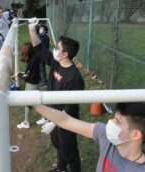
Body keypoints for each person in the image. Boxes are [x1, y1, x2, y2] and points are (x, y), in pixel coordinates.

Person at [28, 18, 85, 172]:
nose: (54, 49)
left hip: (66, 120)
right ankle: (60, 169)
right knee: (58, 146)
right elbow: (39, 49)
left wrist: (55, 122)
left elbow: (71, 106)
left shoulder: (75, 78)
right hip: (53, 116)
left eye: (57, 48)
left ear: (65, 54)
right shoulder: (56, 63)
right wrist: (32, 29)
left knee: (70, 153)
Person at [33, 102, 145, 172]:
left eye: (118, 121)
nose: (111, 122)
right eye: (114, 117)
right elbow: (65, 121)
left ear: (135, 134)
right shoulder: (106, 136)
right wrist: (35, 104)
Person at [16, 42, 41, 129]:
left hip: (32, 83)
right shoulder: (33, 57)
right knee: (33, 101)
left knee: (30, 102)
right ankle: (45, 117)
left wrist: (20, 75)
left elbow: (29, 76)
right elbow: (28, 73)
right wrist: (22, 73)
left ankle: (26, 122)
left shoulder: (33, 61)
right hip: (32, 81)